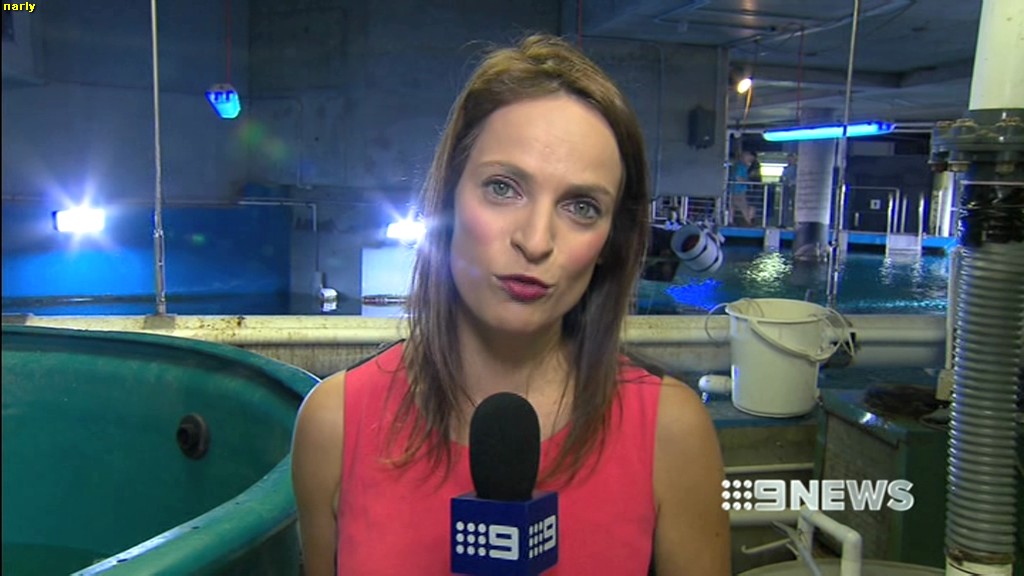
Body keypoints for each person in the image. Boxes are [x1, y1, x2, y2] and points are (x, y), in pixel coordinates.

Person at [291, 33, 730, 576]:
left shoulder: (672, 432)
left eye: (581, 206)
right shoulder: (333, 424)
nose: (536, 240)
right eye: (503, 188)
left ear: (609, 243)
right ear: (448, 198)